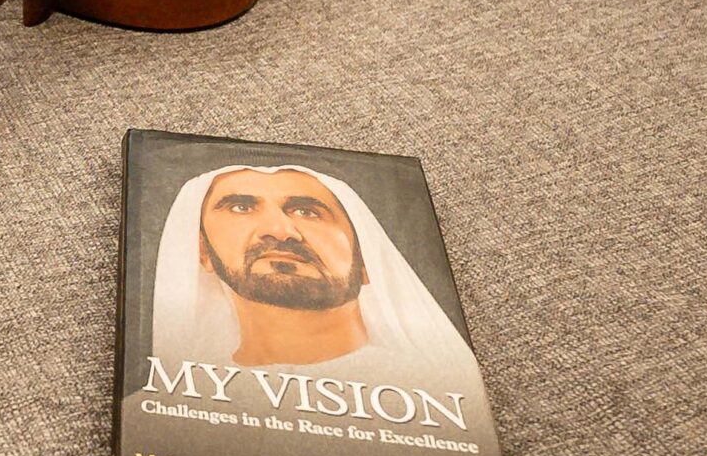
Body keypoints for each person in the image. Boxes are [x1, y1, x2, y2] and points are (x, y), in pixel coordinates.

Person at [149, 163, 479, 394]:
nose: (280, 231)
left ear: (366, 261)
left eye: (307, 212)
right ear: (203, 252)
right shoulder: (172, 403)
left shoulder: (436, 391)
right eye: (241, 208)